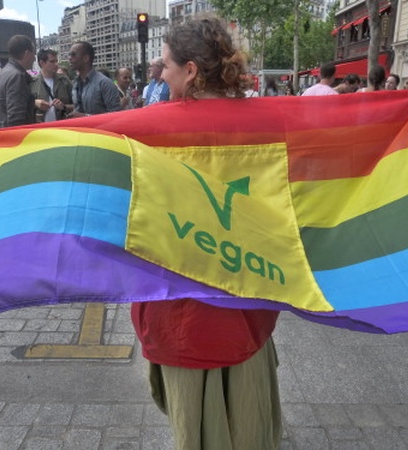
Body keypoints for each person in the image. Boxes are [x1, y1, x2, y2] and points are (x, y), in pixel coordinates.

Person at [131, 17, 282, 450]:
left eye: (165, 65)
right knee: (245, 420)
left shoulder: (152, 127)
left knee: (196, 426)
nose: (161, 74)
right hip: (246, 293)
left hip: (181, 306)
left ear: (191, 70)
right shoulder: (267, 123)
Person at [0, 34, 36, 128]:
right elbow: (17, 118)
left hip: (5, 130)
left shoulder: (1, 74)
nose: (34, 58)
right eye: (33, 54)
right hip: (18, 134)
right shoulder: (17, 76)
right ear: (27, 54)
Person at [68, 41, 121, 117]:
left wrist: (85, 116)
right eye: (69, 55)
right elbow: (78, 108)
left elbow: (115, 115)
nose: (70, 58)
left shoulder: (105, 83)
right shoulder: (76, 83)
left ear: (86, 58)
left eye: (73, 54)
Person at [30, 48, 73, 122]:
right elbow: (23, 106)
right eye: (52, 61)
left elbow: (78, 105)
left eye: (56, 61)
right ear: (42, 63)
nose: (56, 64)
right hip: (41, 127)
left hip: (63, 125)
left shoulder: (64, 81)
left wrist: (64, 106)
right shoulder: (32, 83)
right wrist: (34, 103)